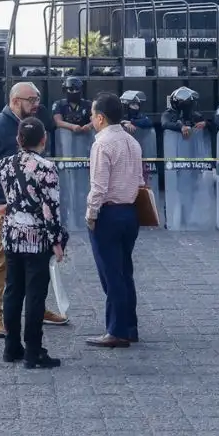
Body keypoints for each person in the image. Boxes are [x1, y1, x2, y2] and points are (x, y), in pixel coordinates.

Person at [0, 82, 68, 337]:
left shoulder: (36, 121)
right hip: (4, 210)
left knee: (35, 260)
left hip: (34, 214)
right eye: (31, 99)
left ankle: (36, 307)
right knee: (0, 260)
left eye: (37, 98)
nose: (37, 103)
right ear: (14, 101)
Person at [85, 92, 144, 349]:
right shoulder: (132, 142)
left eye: (92, 114)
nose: (90, 119)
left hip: (108, 213)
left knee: (111, 275)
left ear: (100, 117)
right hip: (130, 212)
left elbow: (98, 186)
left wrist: (91, 214)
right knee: (125, 271)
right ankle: (129, 326)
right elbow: (141, 180)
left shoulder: (102, 144)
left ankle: (116, 330)